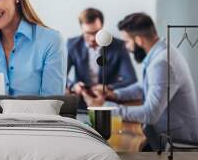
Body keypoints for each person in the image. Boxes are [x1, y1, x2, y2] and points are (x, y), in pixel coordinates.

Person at [82, 13, 198, 150]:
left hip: (177, 144)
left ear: (138, 40)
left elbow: (150, 114)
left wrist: (106, 108)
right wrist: (115, 94)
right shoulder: (159, 51)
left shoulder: (161, 63)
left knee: (121, 148)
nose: (126, 47)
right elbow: (145, 85)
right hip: (164, 136)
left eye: (127, 42)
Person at [67, 8, 137, 102]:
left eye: (96, 32)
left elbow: (131, 80)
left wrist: (108, 87)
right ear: (82, 29)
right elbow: (60, 75)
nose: (92, 38)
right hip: (81, 102)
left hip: (109, 103)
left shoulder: (119, 46)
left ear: (102, 27)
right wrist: (73, 85)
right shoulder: (72, 45)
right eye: (88, 33)